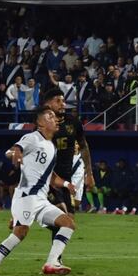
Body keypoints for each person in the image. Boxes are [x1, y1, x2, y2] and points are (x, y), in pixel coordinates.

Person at [0, 107, 76, 276]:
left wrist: (67, 184)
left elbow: (51, 176)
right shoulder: (33, 137)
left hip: (41, 199)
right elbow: (17, 148)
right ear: (40, 122)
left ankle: (52, 263)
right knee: (20, 233)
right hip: (27, 197)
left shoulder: (52, 147)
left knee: (67, 223)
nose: (55, 119)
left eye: (55, 117)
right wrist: (15, 152)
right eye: (50, 116)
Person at [41, 89, 94, 237]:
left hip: (66, 180)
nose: (63, 104)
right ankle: (35, 217)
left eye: (63, 101)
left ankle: (56, 259)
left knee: (68, 223)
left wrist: (89, 173)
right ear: (48, 103)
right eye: (58, 101)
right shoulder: (42, 125)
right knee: (64, 219)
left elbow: (83, 146)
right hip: (49, 181)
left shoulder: (73, 122)